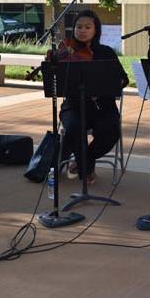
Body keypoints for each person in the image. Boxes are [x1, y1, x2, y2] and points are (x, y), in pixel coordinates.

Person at [58, 10, 129, 185]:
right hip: (74, 105)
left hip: (102, 106)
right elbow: (57, 81)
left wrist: (108, 86)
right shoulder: (66, 51)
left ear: (95, 30)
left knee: (110, 131)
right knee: (74, 129)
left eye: (87, 27)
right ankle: (86, 169)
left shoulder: (106, 53)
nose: (82, 30)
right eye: (78, 26)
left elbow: (123, 79)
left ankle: (84, 160)